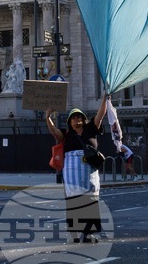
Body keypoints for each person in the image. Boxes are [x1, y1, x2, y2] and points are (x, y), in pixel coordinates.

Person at [46, 98, 108, 244]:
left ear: (84, 120)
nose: (77, 120)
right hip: (72, 173)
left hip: (89, 172)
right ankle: (74, 233)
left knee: (91, 201)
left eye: (79, 117)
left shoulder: (91, 129)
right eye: (74, 118)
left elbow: (100, 116)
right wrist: (47, 116)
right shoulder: (66, 134)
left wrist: (105, 99)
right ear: (70, 122)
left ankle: (88, 234)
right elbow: (54, 131)